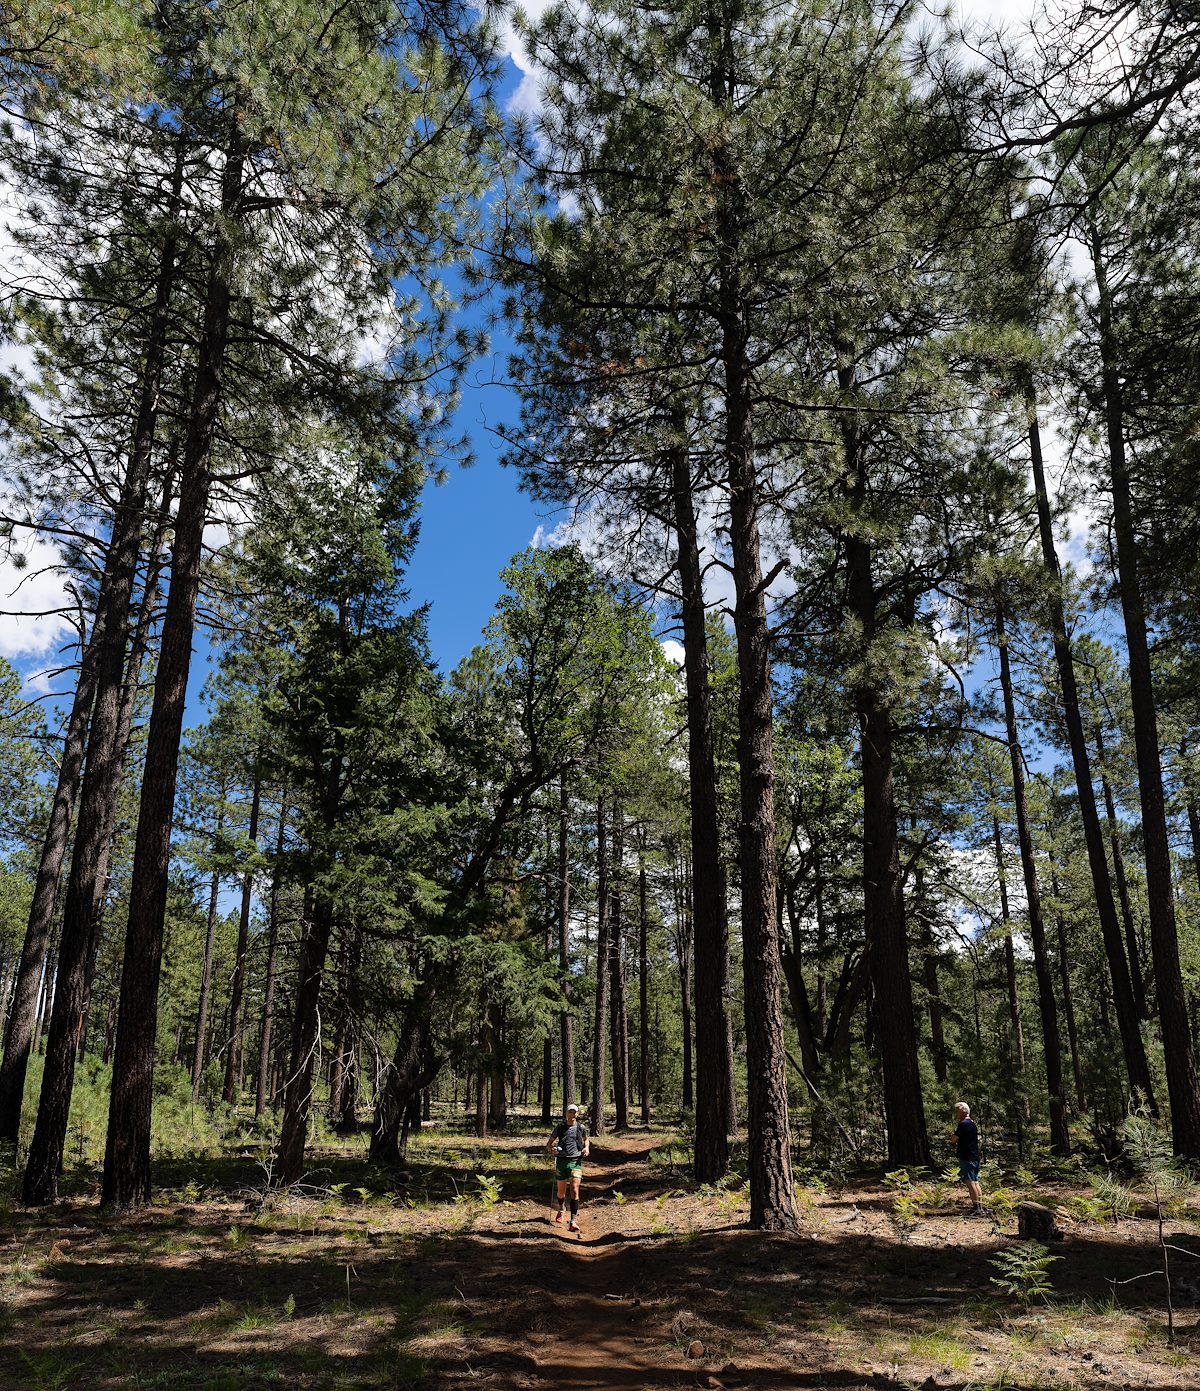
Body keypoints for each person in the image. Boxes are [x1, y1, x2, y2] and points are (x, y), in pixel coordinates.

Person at [545, 1101, 590, 1232]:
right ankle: (561, 1209)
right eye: (570, 1111)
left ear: (577, 1114)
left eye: (574, 1112)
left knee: (575, 1190)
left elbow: (586, 1139)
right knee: (561, 1192)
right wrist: (552, 1149)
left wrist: (586, 1148)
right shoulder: (560, 1127)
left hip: (575, 1161)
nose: (572, 1114)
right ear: (566, 1113)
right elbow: (549, 1144)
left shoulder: (581, 1128)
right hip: (561, 1162)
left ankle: (573, 1221)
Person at [951, 1101, 984, 1216]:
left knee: (970, 1182)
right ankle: (980, 1207)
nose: (956, 1113)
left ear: (963, 1112)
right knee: (975, 1181)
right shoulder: (972, 1123)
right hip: (974, 1156)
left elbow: (954, 1140)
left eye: (957, 1111)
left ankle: (977, 1209)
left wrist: (952, 1135)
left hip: (966, 1157)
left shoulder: (963, 1124)